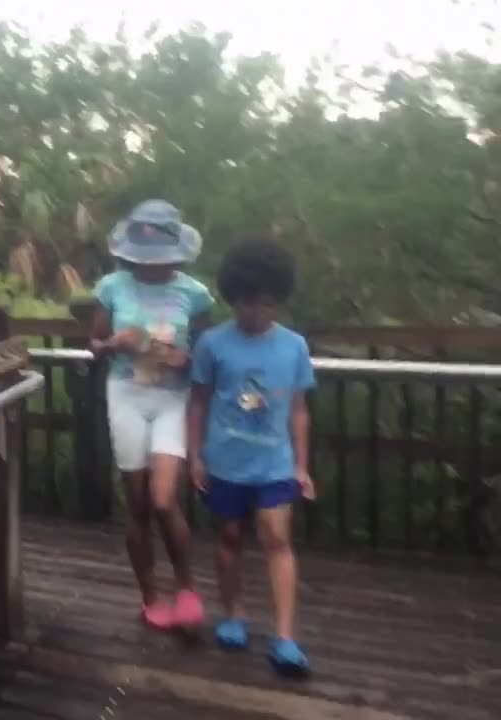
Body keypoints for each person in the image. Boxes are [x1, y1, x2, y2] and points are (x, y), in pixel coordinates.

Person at [186, 237, 315, 677]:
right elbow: (198, 402)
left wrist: (301, 466)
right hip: (224, 462)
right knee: (229, 539)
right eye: (245, 303)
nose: (254, 312)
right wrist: (195, 456)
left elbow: (299, 410)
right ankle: (235, 615)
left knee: (277, 537)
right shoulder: (212, 344)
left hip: (275, 464)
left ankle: (285, 637)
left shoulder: (294, 346)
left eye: (263, 303)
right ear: (232, 298)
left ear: (278, 299)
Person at [89, 199, 212, 631]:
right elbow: (95, 345)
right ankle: (149, 596)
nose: (153, 265)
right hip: (125, 393)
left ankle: (187, 588)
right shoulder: (111, 288)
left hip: (172, 399)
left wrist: (186, 358)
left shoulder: (194, 295)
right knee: (137, 504)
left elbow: (206, 352)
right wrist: (113, 344)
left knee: (164, 498)